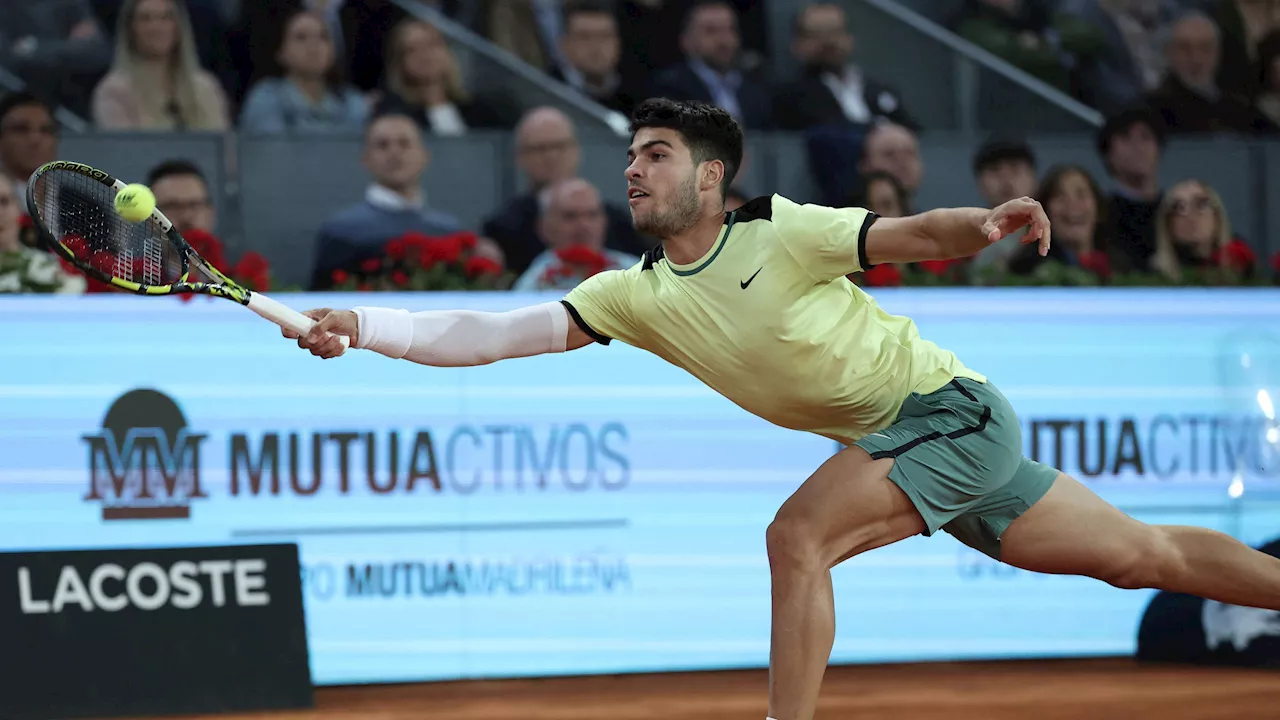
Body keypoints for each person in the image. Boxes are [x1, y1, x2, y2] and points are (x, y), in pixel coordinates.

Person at [286, 98, 1280, 720]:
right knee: (1138, 561)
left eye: (656, 154)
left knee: (794, 537)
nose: (631, 168)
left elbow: (904, 232)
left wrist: (978, 224)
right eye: (629, 154)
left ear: (711, 178)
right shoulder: (634, 295)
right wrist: (360, 324)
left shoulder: (774, 231)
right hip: (915, 441)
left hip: (948, 415)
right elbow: (485, 339)